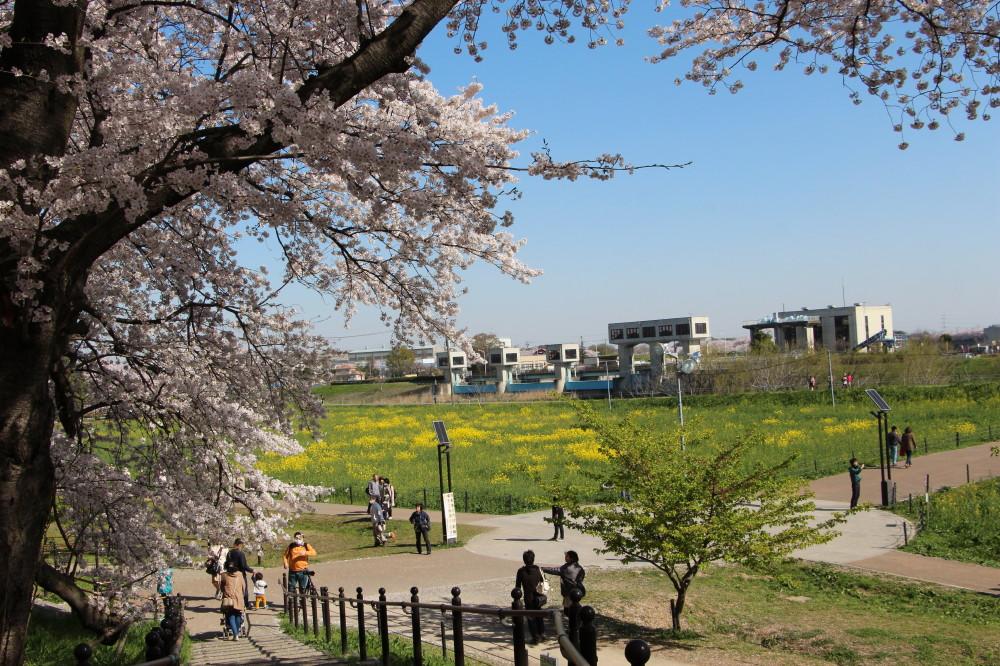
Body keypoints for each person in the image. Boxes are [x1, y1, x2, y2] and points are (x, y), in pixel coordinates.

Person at [514, 550, 546, 644]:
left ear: (524, 560)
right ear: (533, 559)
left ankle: (535, 637)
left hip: (528, 597)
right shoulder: (538, 569)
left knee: (531, 617)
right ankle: (542, 633)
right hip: (538, 597)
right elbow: (544, 581)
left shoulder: (521, 571)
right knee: (539, 615)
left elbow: (518, 586)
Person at [220, 561, 247, 641]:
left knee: (231, 616)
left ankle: (235, 634)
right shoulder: (240, 574)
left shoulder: (224, 575)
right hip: (239, 598)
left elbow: (222, 587)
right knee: (238, 615)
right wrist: (242, 596)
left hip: (229, 599)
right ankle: (236, 633)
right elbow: (244, 586)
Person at [225, 538, 254, 606]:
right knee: (244, 589)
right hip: (240, 574)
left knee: (232, 588)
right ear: (240, 545)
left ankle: (232, 603)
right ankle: (245, 604)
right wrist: (252, 570)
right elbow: (244, 566)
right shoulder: (241, 553)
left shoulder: (229, 553)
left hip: (230, 573)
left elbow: (226, 563)